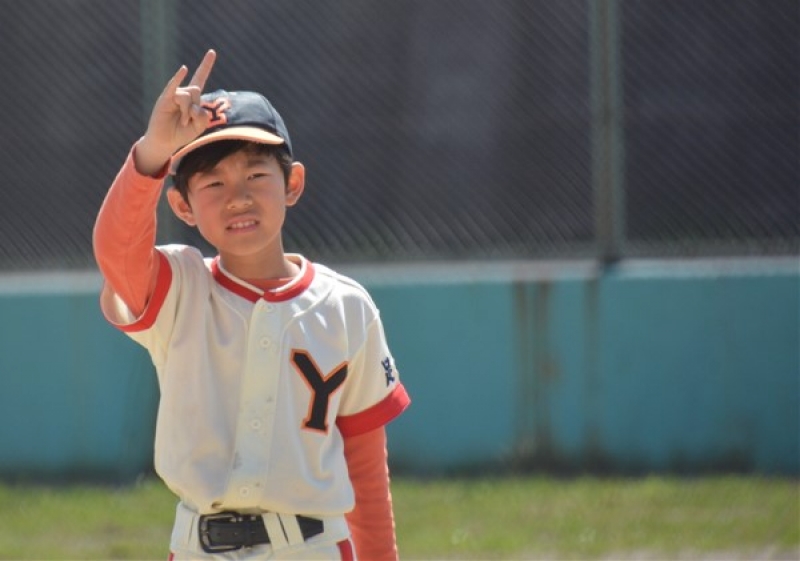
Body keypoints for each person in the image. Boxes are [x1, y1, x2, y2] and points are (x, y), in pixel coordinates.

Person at [93, 49, 411, 560]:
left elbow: (365, 468)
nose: (237, 196)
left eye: (256, 175)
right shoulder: (180, 286)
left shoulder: (346, 305)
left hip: (313, 547)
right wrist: (153, 152)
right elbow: (117, 253)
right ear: (182, 205)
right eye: (213, 183)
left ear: (292, 183)